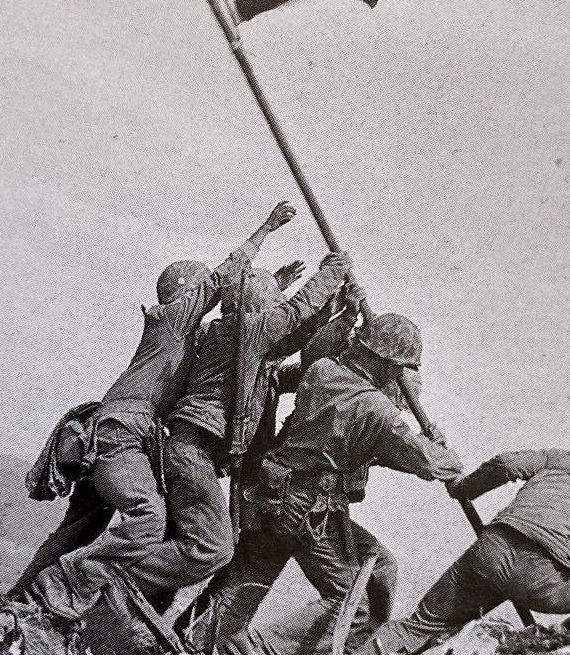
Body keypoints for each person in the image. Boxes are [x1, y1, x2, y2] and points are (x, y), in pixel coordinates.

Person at [34, 252, 355, 616]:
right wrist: (333, 270)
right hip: (184, 450)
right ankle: (88, 579)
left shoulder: (250, 357)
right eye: (272, 304)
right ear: (260, 308)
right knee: (210, 547)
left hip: (182, 451)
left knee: (187, 542)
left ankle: (91, 593)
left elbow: (303, 357)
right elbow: (296, 314)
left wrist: (340, 315)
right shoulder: (241, 332)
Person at [13, 201, 297, 607]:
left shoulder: (181, 335)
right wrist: (266, 229)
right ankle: (65, 586)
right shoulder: (173, 318)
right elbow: (224, 276)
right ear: (189, 293)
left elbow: (237, 330)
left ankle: (19, 600)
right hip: (120, 437)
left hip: (116, 435)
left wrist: (266, 294)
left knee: (78, 530)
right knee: (148, 517)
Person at [199, 309, 462, 655]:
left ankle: (195, 645)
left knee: (248, 578)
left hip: (272, 494)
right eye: (399, 369)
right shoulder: (376, 409)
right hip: (309, 508)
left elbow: (361, 443)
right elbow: (431, 464)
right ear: (387, 365)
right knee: (349, 601)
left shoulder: (323, 371)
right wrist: (441, 448)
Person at [356, 449, 570, 655]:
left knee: (417, 627)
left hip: (491, 551)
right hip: (541, 578)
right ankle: (564, 648)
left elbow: (507, 465)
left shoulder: (564, 461)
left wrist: (465, 488)